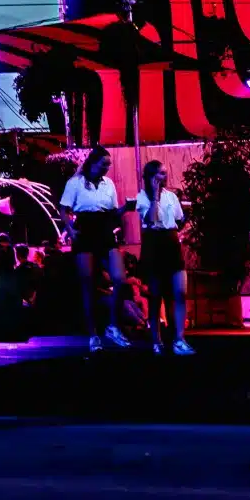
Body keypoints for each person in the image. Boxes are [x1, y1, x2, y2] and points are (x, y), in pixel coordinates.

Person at [59, 149, 131, 352]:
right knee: (88, 284)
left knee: (120, 279)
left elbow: (113, 212)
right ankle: (93, 335)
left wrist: (126, 208)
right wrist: (70, 230)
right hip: (85, 229)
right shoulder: (76, 183)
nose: (107, 168)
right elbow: (63, 208)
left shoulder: (109, 184)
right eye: (104, 164)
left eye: (109, 164)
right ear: (93, 163)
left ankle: (113, 326)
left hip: (105, 229)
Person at [134, 160, 191, 355]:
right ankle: (156, 341)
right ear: (150, 176)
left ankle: (179, 339)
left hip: (171, 242)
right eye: (160, 174)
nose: (163, 177)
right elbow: (151, 219)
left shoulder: (172, 197)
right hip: (153, 243)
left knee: (179, 292)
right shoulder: (142, 197)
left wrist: (182, 230)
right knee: (156, 296)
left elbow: (178, 219)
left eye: (165, 173)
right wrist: (155, 198)